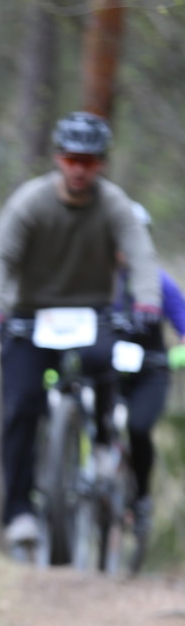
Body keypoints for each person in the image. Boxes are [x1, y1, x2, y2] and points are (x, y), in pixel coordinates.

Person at [0, 111, 161, 551]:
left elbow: (141, 254)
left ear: (101, 164)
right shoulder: (30, 201)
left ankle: (102, 443)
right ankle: (19, 511)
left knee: (105, 363)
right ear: (59, 158)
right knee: (21, 405)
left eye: (89, 161)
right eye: (72, 159)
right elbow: (0, 255)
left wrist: (146, 300)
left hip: (91, 313)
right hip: (30, 315)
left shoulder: (114, 204)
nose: (79, 169)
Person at [115, 203, 185, 541]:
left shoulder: (162, 284)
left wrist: (176, 357)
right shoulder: (97, 281)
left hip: (151, 372)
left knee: (138, 427)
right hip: (107, 371)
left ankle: (140, 498)